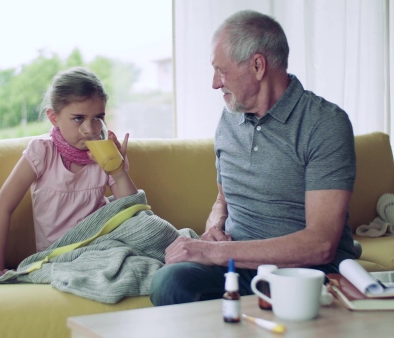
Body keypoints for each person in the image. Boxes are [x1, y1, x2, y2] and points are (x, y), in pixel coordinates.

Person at [150, 10, 357, 305]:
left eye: (221, 71)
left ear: (258, 66)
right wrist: (215, 227)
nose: (214, 83)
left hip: (307, 270)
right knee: (170, 282)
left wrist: (212, 252)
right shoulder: (229, 118)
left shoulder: (324, 124)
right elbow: (223, 198)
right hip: (239, 265)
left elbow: (321, 244)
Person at [0, 67, 138, 277]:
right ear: (53, 117)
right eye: (78, 118)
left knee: (147, 226)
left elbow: (133, 213)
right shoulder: (42, 152)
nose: (90, 129)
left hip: (100, 247)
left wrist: (119, 171)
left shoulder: (106, 154)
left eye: (98, 117)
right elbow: (1, 208)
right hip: (57, 255)